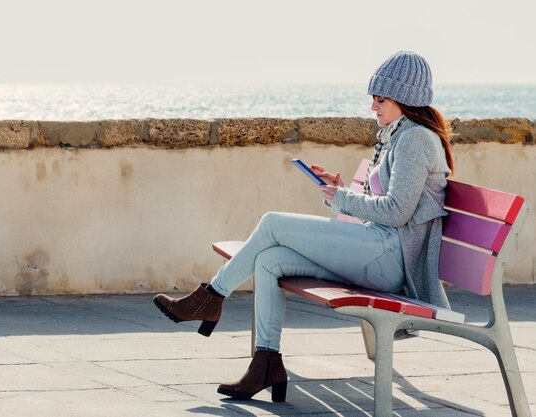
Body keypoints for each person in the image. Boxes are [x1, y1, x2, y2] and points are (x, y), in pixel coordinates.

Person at [154, 51, 454, 403]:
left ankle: (210, 297)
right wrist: (342, 188)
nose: (373, 106)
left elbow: (397, 211)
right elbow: (387, 202)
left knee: (272, 223)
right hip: (378, 248)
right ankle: (266, 362)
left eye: (381, 98)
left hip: (389, 259)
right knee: (270, 260)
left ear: (406, 99)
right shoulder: (398, 135)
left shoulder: (415, 139)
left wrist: (341, 197)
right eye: (373, 97)